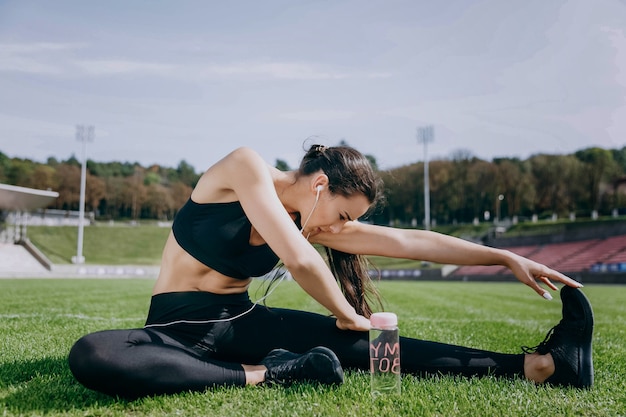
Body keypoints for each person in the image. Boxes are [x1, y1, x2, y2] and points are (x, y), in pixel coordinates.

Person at [68, 144, 594, 399]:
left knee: (379, 352)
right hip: (175, 328)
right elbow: (297, 262)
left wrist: (504, 256)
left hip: (241, 320)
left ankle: (544, 368)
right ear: (319, 184)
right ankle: (274, 372)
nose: (344, 228)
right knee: (94, 354)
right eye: (345, 214)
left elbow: (409, 241)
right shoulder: (244, 168)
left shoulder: (311, 221)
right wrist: (345, 314)